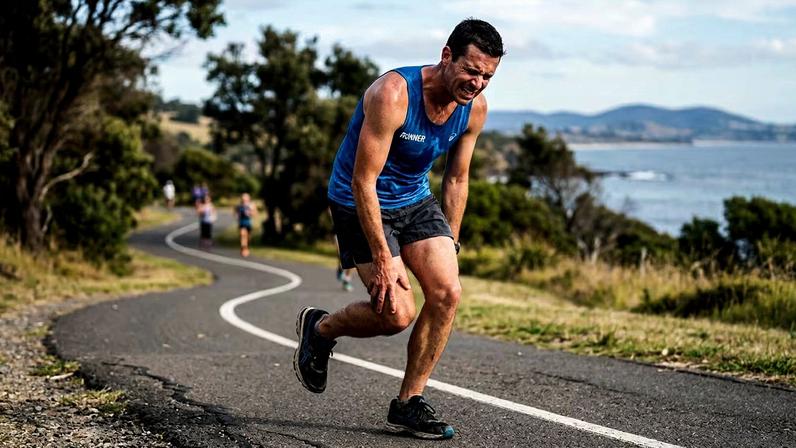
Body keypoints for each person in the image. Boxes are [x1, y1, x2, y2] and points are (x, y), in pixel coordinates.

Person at [293, 19, 503, 440]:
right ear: (447, 56)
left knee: (447, 292)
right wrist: (386, 263)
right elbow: (362, 180)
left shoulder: (474, 108)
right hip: (358, 200)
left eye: (487, 76)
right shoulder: (393, 94)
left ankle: (408, 403)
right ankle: (320, 329)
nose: (477, 84)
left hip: (414, 199)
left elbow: (457, 178)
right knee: (396, 315)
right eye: (471, 71)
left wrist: (450, 242)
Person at [235, 193, 257, 257]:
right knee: (242, 234)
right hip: (241, 223)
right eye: (243, 197)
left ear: (248, 198)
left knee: (248, 237)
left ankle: (246, 248)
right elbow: (236, 213)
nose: (244, 199)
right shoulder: (239, 206)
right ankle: (243, 249)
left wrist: (250, 213)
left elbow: (255, 213)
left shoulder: (251, 205)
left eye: (245, 197)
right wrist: (237, 216)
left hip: (248, 223)